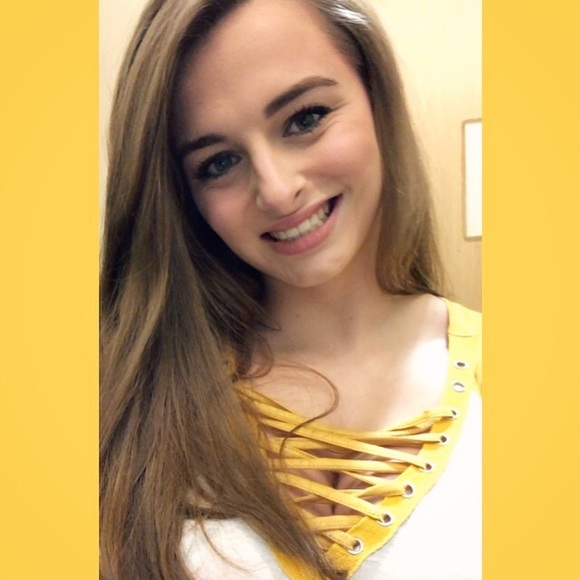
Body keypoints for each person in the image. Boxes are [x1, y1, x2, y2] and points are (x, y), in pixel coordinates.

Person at [99, 0, 482, 578]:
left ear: (375, 96)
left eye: (305, 118)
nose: (277, 191)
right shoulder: (124, 404)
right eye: (219, 162)